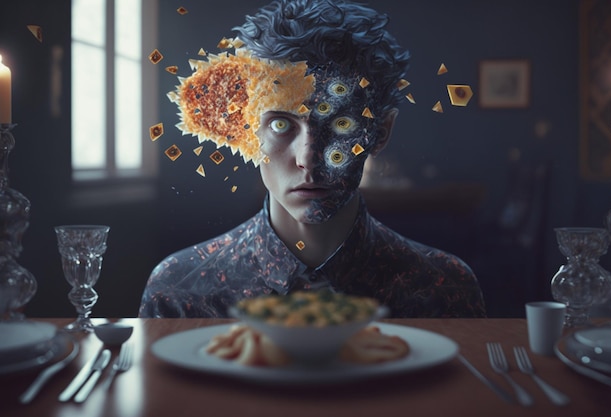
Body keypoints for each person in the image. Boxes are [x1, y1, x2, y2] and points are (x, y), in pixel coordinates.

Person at [139, 0, 486, 318]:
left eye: (341, 122)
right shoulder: (180, 292)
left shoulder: (444, 289)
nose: (309, 158)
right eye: (280, 124)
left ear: (380, 133)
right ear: (245, 130)